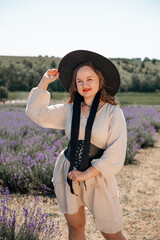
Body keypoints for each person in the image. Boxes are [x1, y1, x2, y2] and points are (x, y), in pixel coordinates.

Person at [25, 50, 127, 240]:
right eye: (79, 81)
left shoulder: (113, 113)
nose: (84, 85)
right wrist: (44, 82)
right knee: (75, 228)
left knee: (112, 232)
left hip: (97, 176)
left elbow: (116, 153)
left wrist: (87, 173)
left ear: (100, 80)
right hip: (69, 171)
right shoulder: (70, 109)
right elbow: (37, 114)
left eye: (89, 79)